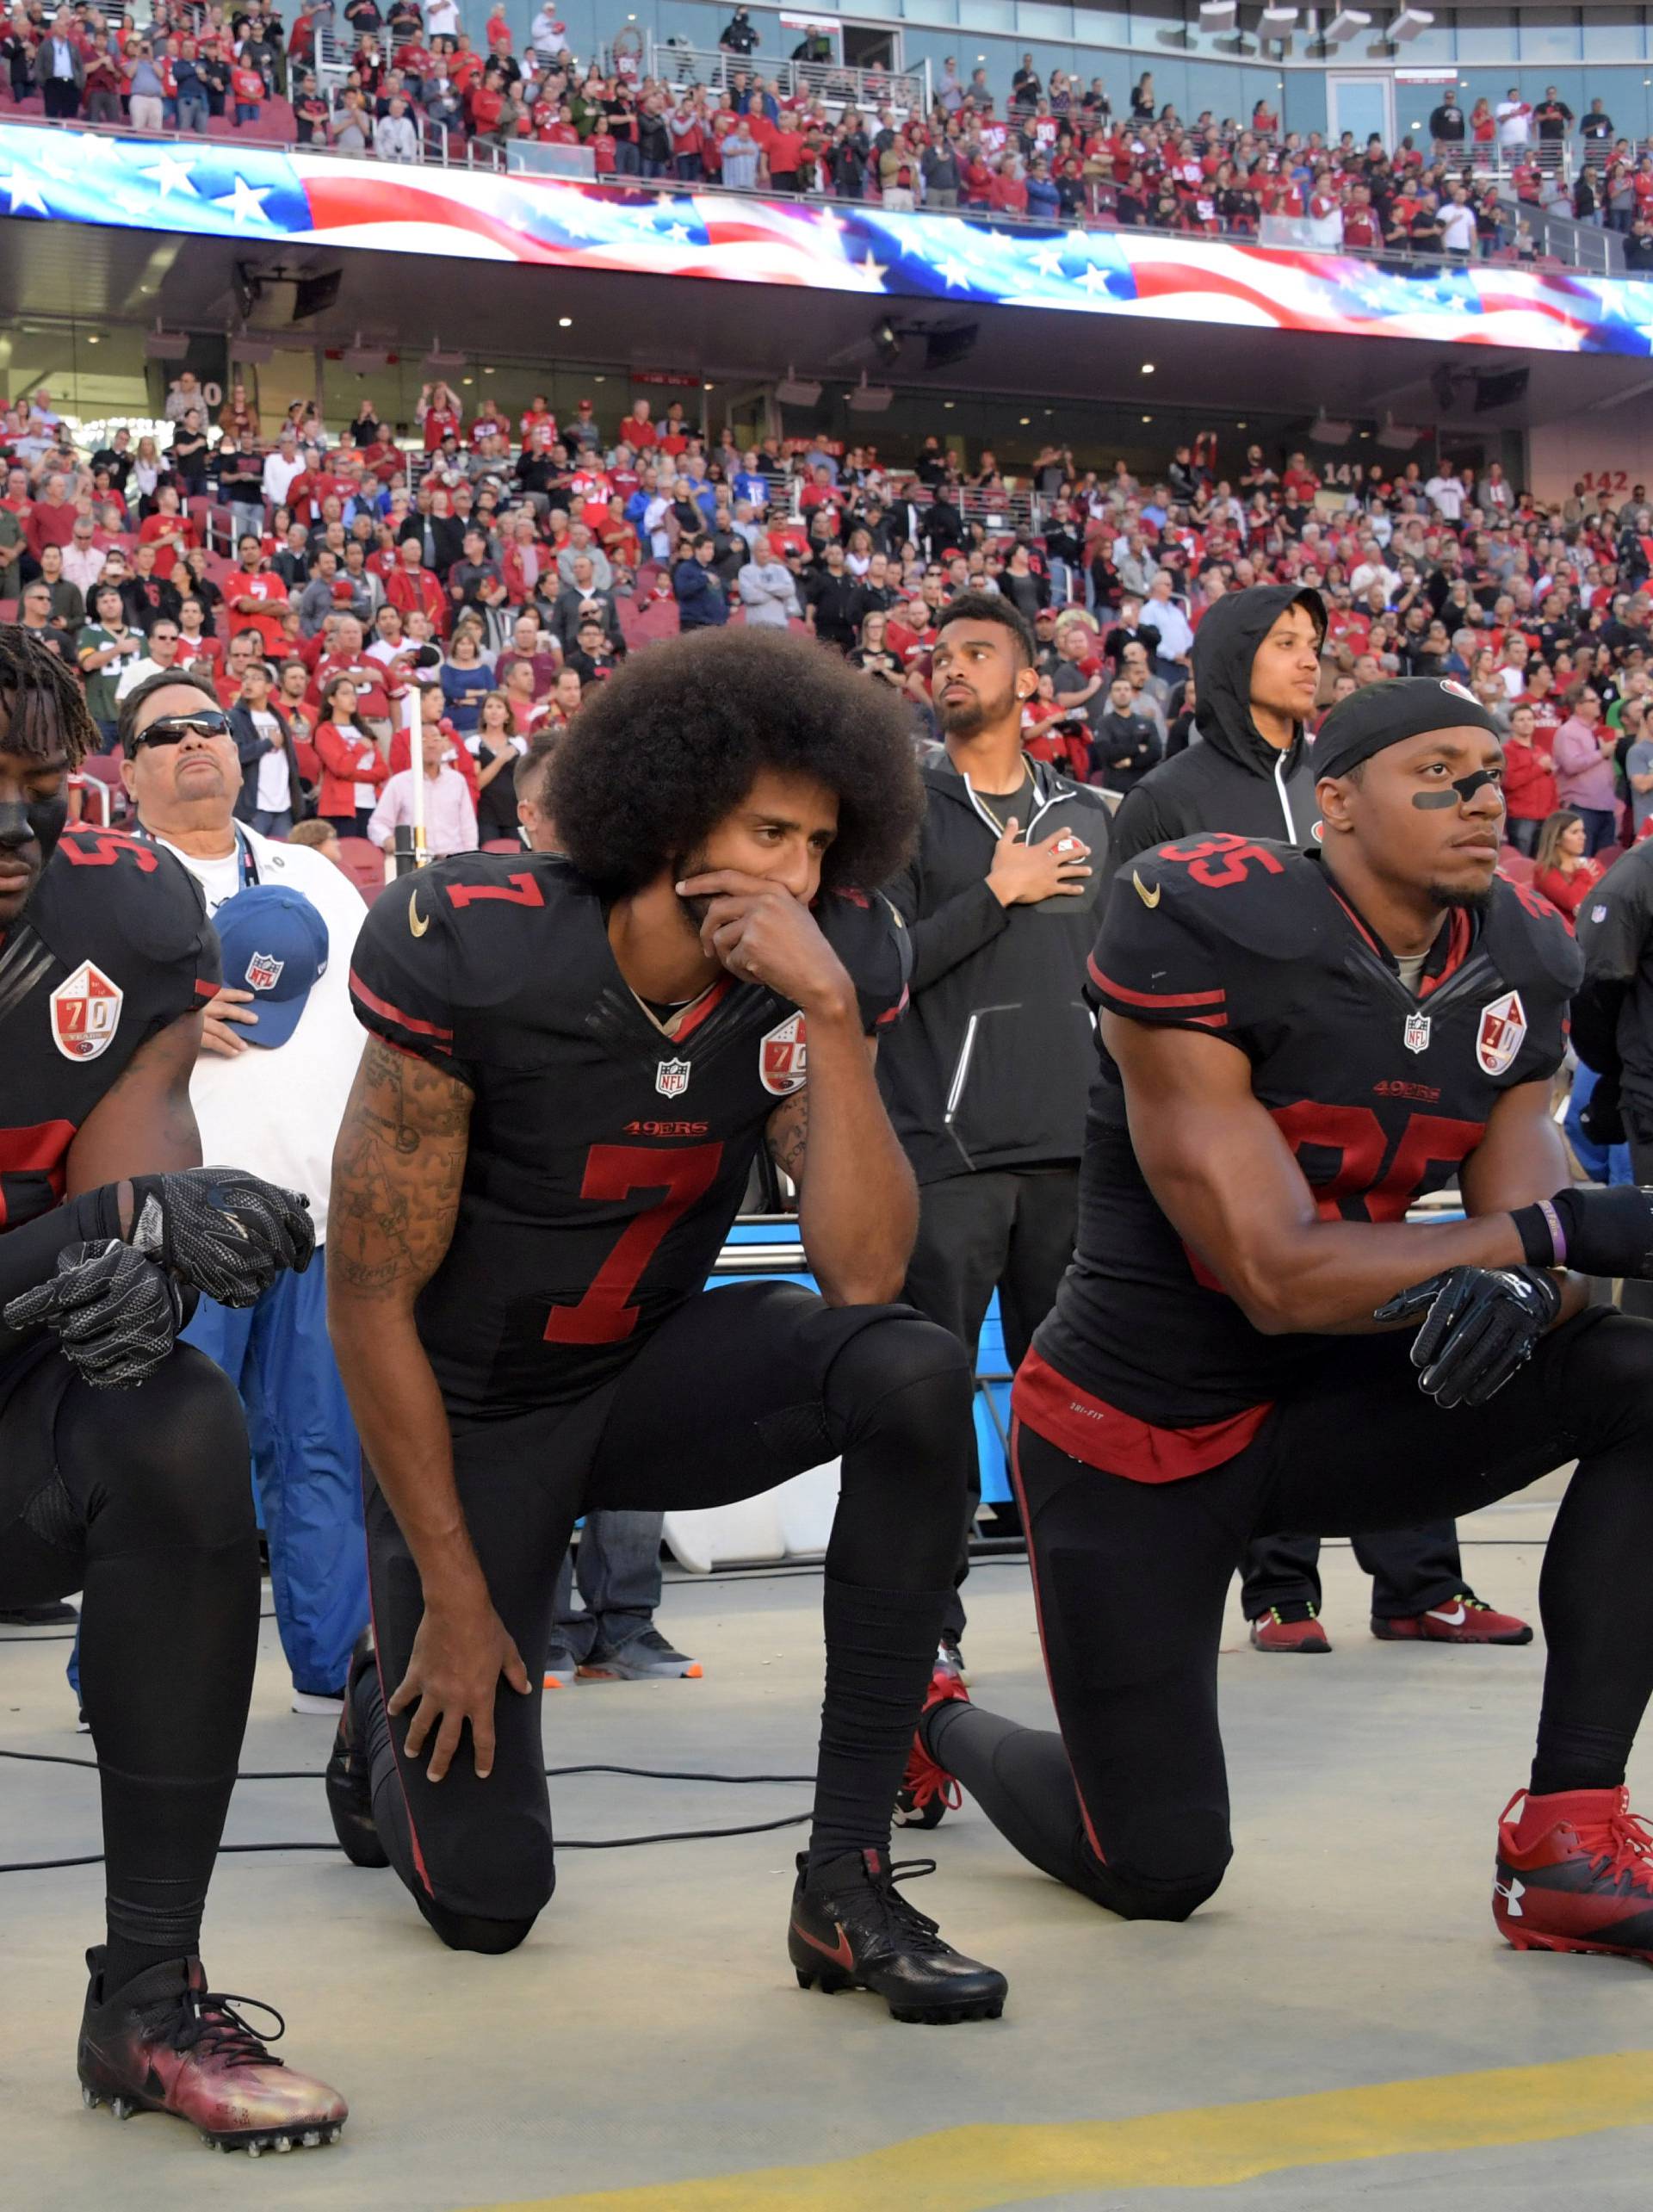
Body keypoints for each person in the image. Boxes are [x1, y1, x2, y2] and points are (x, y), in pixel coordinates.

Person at [904, 677, 1653, 1972]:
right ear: (1338, 799)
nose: (1485, 798)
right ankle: (939, 1721)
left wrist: (1538, 1279)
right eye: (1442, 771)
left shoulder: (1520, 956)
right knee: (1157, 1869)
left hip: (1336, 1413)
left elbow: (1540, 1218)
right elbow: (1275, 1271)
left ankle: (1568, 1834)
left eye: (1493, 771)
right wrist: (1547, 1245)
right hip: (1141, 1432)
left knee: (1646, 1371)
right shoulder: (1202, 917)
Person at [321, 628, 1006, 2022]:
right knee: (489, 1906)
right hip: (479, 1418)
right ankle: (377, 1690)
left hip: (643, 1374)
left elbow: (867, 1270)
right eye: (768, 831)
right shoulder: (480, 939)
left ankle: (848, 1871)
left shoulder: (828, 962)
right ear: (668, 807)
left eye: (822, 842)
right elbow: (369, 1294)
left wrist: (835, 1018)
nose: (801, 875)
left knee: (914, 1368)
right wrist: (452, 1597)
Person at [0, 629, 345, 2149]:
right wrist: (96, 1229)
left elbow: (122, 1232)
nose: (14, 831)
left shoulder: (131, 913)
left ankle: (145, 1988)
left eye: (33, 788)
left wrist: (169, 1235)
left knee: (179, 1414)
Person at [1105, 588, 1524, 1651]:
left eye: (1315, 645)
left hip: (1380, 1114)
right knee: (1268, 1304)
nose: (1306, 660)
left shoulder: (1365, 775)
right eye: (1284, 643)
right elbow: (1126, 991)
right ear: (1231, 656)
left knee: (1423, 1316)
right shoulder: (1171, 797)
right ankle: (1280, 1589)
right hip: (1234, 1125)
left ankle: (1421, 1582)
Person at [116, 668, 371, 1715]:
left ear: (239, 748)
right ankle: (136, 1676)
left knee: (324, 1453)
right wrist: (161, 1027)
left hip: (315, 1218)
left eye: (208, 726)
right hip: (178, 1228)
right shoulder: (107, 884)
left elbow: (381, 1018)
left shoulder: (313, 876)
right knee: (166, 1466)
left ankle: (337, 1676)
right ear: (126, 771)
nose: (192, 743)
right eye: (162, 733)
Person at [875, 591, 1105, 1697]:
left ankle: (1098, 1633)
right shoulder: (901, 814)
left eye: (978, 652)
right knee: (928, 1408)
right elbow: (879, 972)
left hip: (1075, 1151)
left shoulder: (1091, 816)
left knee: (1079, 1409)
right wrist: (997, 893)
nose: (952, 667)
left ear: (1030, 682)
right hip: (946, 1153)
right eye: (942, 654)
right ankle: (927, 1644)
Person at [368, 716, 480, 858]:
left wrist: (470, 859)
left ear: (443, 745)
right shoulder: (400, 783)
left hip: (453, 863)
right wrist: (392, 842)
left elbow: (468, 828)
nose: (431, 745)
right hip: (415, 863)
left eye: (435, 739)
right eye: (423, 740)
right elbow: (377, 824)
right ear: (412, 747)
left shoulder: (457, 781)